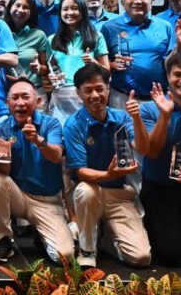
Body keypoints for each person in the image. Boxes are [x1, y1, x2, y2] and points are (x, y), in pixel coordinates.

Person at [64, 64, 151, 268]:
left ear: (108, 89)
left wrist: (137, 118)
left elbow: (143, 148)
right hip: (89, 194)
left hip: (118, 194)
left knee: (141, 258)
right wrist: (109, 174)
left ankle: (106, 240)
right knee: (85, 190)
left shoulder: (122, 117)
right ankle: (87, 249)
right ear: (78, 93)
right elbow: (81, 172)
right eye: (88, 90)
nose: (95, 95)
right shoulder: (73, 125)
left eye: (99, 88)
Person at [0, 78, 74, 264]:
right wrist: (2, 155)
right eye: (15, 98)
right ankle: (2, 241)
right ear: (7, 103)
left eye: (25, 97)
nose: (20, 103)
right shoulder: (2, 128)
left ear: (38, 101)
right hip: (19, 196)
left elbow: (56, 156)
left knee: (64, 257)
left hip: (47, 201)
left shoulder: (51, 124)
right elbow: (4, 172)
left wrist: (37, 140)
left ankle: (41, 235)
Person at [137, 52, 181, 266]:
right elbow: (152, 151)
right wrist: (164, 115)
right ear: (168, 76)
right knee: (169, 254)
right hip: (159, 188)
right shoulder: (149, 108)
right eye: (178, 74)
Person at [101, 0, 174, 108]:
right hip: (122, 98)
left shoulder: (164, 26)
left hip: (159, 99)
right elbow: (99, 63)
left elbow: (172, 62)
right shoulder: (109, 28)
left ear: (151, 2)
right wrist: (112, 65)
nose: (137, 1)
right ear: (123, 2)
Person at [47, 0, 109, 124]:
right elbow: (50, 69)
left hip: (87, 94)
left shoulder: (96, 36)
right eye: (65, 9)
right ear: (60, 13)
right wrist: (51, 77)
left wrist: (93, 62)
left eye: (75, 8)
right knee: (61, 133)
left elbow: (107, 71)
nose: (70, 12)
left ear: (83, 11)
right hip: (60, 97)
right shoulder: (51, 40)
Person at [3, 0, 49, 103]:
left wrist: (39, 68)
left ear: (31, 12)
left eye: (26, 7)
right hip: (8, 93)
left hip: (35, 92)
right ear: (10, 7)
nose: (20, 10)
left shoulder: (39, 35)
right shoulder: (0, 33)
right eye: (17, 5)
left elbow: (46, 69)